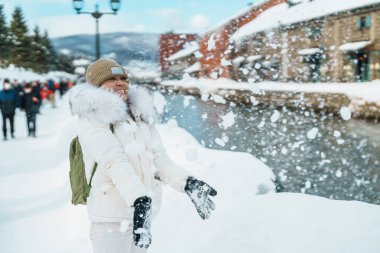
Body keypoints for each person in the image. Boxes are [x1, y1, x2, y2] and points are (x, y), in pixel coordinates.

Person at [69, 58, 217, 253]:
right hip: (111, 218)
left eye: (123, 78)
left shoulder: (139, 115)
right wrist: (139, 200)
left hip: (141, 216)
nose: (121, 82)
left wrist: (187, 183)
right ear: (97, 85)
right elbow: (114, 162)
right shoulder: (92, 117)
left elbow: (158, 158)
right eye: (112, 78)